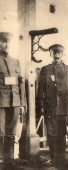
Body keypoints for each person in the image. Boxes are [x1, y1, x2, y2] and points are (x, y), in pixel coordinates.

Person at [37, 44, 68, 167]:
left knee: (62, 134)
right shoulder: (45, 70)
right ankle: (53, 158)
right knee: (51, 134)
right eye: (54, 52)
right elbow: (40, 89)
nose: (56, 55)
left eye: (59, 53)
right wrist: (40, 105)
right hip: (50, 107)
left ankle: (61, 159)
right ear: (50, 54)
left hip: (65, 107)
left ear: (62, 54)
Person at [0, 32, 26, 168]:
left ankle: (8, 161)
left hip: (14, 102)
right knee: (1, 132)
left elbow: (20, 83)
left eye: (9, 42)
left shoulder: (15, 61)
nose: (7, 44)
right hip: (1, 103)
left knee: (11, 133)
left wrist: (22, 103)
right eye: (3, 41)